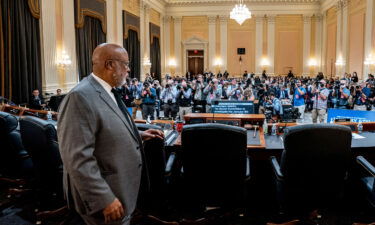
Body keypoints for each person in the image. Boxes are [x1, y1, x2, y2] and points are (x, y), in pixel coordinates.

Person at [57, 43, 164, 225]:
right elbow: (77, 158)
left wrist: (139, 134)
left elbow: (107, 127)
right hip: (106, 196)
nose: (129, 69)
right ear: (109, 65)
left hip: (121, 188)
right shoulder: (80, 97)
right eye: (125, 64)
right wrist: (103, 198)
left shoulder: (107, 91)